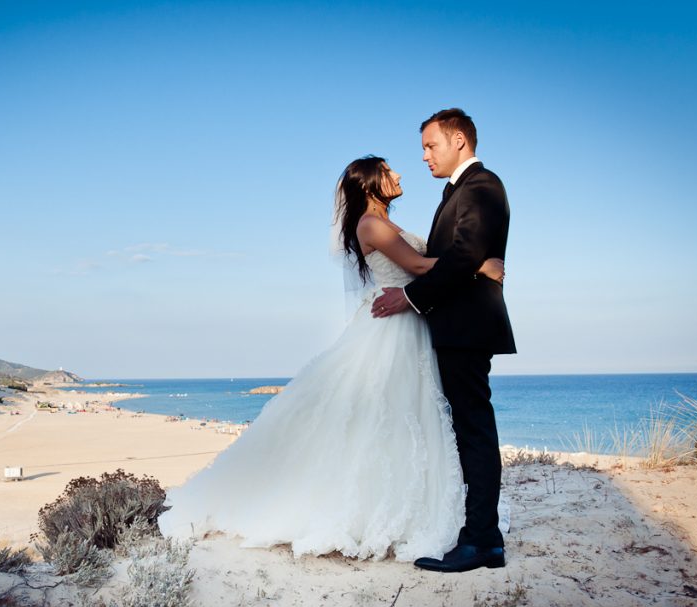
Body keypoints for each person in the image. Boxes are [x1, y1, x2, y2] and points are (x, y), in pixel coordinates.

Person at [158, 156, 504, 561]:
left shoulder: (387, 223)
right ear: (371, 183)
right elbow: (417, 265)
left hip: (411, 323)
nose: (398, 174)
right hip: (391, 328)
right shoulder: (370, 224)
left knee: (404, 416)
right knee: (383, 414)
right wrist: (479, 267)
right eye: (388, 170)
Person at [373, 108, 515, 572]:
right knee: (467, 428)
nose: (424, 156)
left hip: (467, 326)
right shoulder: (456, 191)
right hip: (455, 325)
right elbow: (456, 258)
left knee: (474, 429)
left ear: (459, 140)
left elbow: (464, 253)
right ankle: (477, 532)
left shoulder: (482, 185)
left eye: (430, 146)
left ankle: (483, 541)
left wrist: (408, 297)